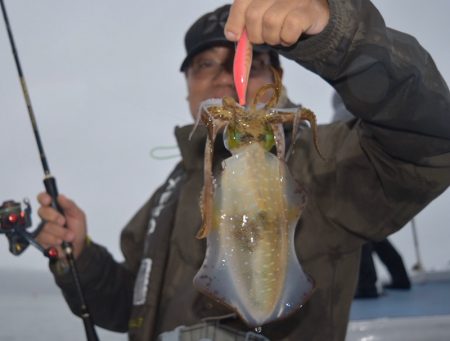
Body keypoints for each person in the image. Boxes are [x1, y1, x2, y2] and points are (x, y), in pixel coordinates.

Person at [36, 1, 450, 340]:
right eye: (204, 65)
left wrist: (337, 37)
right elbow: (131, 307)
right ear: (187, 85)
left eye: (248, 65)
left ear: (278, 75)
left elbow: (431, 141)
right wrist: (82, 256)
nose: (221, 78)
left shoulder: (322, 159)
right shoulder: (171, 192)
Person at [331, 93, 412, 299]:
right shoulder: (367, 115)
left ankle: (367, 287)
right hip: (372, 187)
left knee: (360, 239)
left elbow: (337, 157)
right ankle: (400, 277)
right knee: (376, 236)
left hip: (353, 189)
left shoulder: (341, 119)